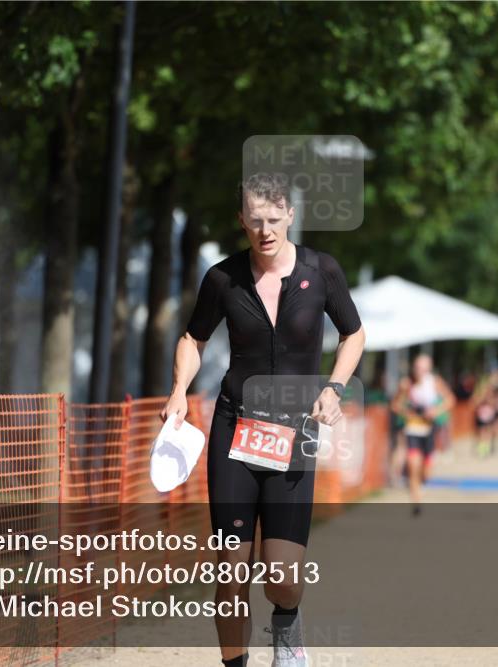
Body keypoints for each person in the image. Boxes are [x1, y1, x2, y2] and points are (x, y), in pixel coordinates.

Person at [161, 173, 365, 667]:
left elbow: (353, 334)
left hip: (294, 435)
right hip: (235, 429)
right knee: (230, 572)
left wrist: (334, 388)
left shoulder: (322, 271)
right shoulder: (222, 278)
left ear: (290, 215)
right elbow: (193, 339)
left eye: (274, 219)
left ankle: (287, 625)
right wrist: (179, 390)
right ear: (241, 220)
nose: (265, 230)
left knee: (282, 577)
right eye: (255, 220)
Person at [392, 354, 455, 516]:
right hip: (412, 429)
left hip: (430, 430)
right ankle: (416, 502)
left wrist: (436, 411)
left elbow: (450, 400)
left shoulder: (435, 382)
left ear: (429, 369)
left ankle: (421, 483)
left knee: (426, 473)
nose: (420, 372)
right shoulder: (406, 384)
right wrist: (407, 413)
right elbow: (395, 404)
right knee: (413, 466)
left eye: (424, 369)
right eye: (418, 368)